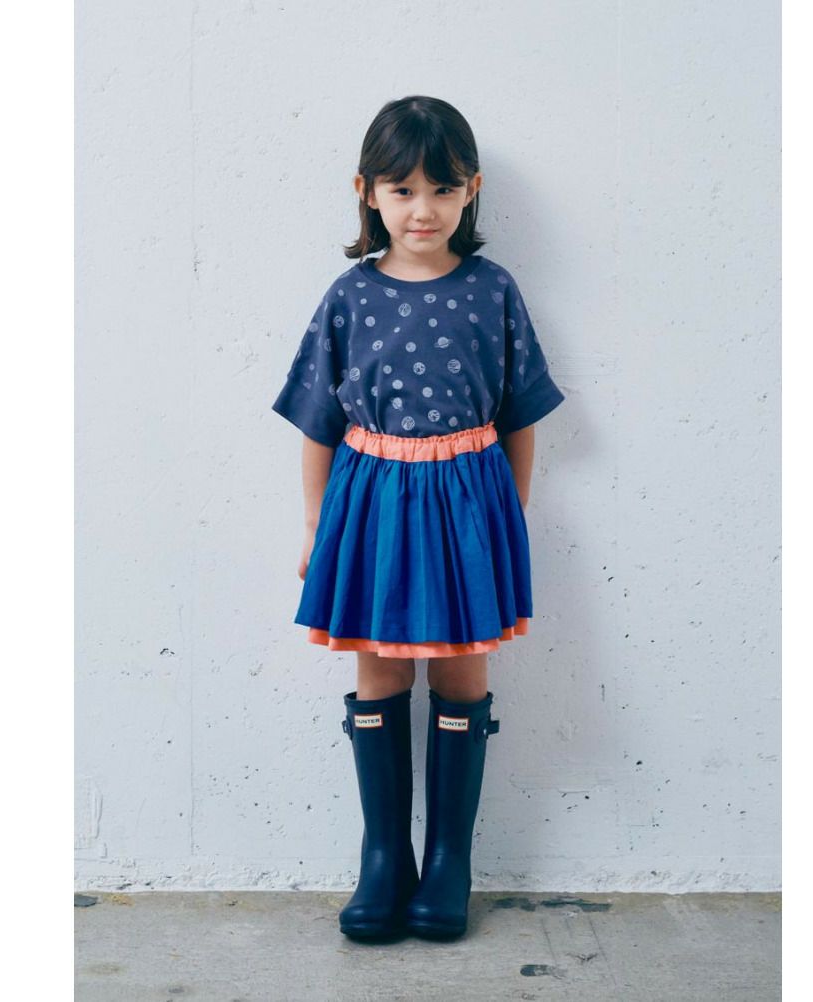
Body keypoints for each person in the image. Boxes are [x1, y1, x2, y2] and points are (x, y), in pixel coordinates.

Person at [271, 95, 565, 941]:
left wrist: (510, 517)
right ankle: (384, 860)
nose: (423, 209)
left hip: (470, 507)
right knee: (381, 675)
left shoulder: (493, 291)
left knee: (462, 676)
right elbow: (318, 423)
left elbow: (520, 415)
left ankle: (448, 866)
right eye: (402, 190)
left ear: (472, 190)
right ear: (367, 192)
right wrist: (316, 527)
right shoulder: (350, 296)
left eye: (443, 188)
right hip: (371, 508)